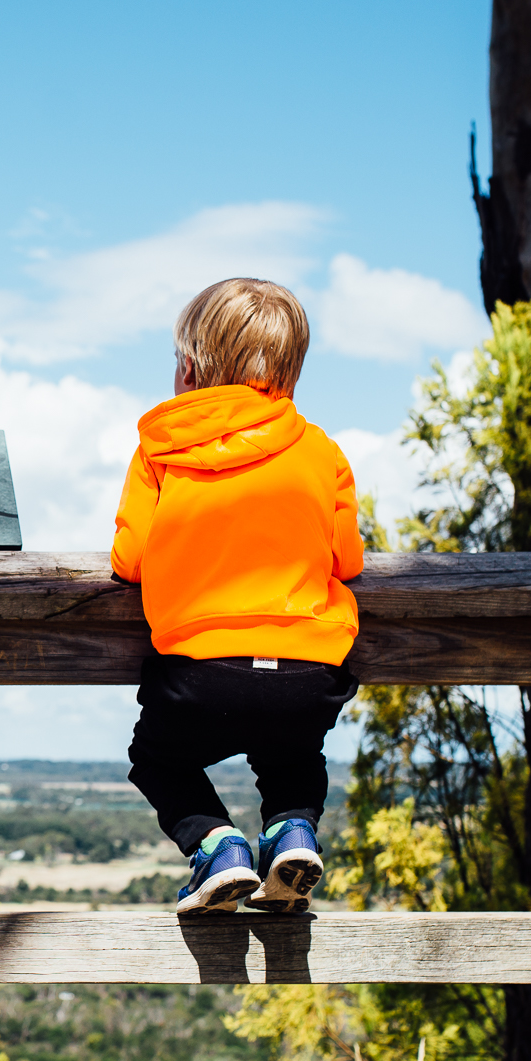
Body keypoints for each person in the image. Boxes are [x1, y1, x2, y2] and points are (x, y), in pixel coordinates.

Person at [111, 278, 363, 917]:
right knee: (293, 756)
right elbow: (348, 560)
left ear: (190, 366)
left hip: (202, 675)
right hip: (308, 673)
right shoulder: (323, 451)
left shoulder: (162, 448)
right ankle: (292, 832)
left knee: (156, 760)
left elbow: (129, 561)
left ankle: (218, 847)